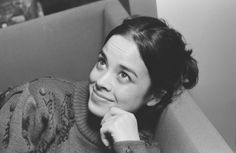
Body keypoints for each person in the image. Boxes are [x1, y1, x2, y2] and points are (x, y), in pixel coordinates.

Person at [0, 16, 198, 153]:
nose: (100, 81)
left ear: (155, 96)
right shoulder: (38, 100)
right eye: (102, 62)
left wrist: (127, 144)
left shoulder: (140, 144)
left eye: (124, 75)